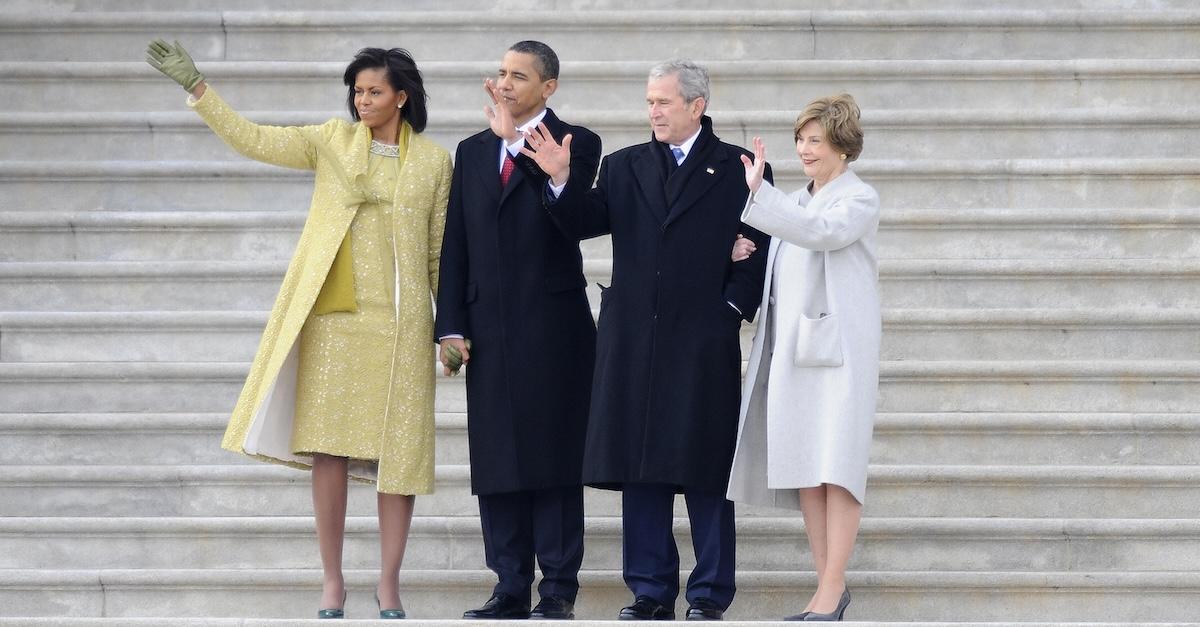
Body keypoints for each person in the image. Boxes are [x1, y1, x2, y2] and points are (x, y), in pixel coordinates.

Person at [145, 41, 451, 620]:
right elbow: (254, 138)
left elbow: (438, 253)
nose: (362, 100)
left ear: (401, 97)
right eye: (357, 91)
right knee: (329, 451)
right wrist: (200, 89)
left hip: (403, 325)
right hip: (335, 320)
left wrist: (452, 327)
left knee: (400, 455)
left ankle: (389, 585)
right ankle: (332, 583)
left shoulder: (435, 163)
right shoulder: (331, 141)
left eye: (374, 91)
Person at [520, 59, 771, 621]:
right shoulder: (625, 164)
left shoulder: (741, 167)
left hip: (703, 337)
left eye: (663, 101)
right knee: (641, 468)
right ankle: (650, 591)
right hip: (634, 338)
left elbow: (760, 248)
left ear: (696, 106)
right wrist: (560, 179)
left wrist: (730, 308)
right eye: (649, 102)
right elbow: (585, 221)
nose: (653, 111)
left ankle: (708, 595)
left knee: (707, 469)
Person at [434, 40, 602, 620]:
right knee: (498, 456)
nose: (504, 83)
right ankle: (509, 583)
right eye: (501, 73)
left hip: (554, 326)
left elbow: (574, 220)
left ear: (548, 87)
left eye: (519, 76)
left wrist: (517, 144)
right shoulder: (472, 151)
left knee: (555, 457)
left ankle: (557, 587)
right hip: (488, 327)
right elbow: (455, 243)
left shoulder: (578, 141)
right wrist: (450, 324)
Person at [726, 94, 880, 622]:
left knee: (838, 468)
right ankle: (825, 588)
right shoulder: (794, 200)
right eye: (801, 139)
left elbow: (820, 234)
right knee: (807, 473)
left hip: (839, 358)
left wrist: (761, 198)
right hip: (793, 356)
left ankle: (833, 589)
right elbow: (783, 254)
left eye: (816, 140)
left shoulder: (857, 200)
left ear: (842, 145)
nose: (805, 149)